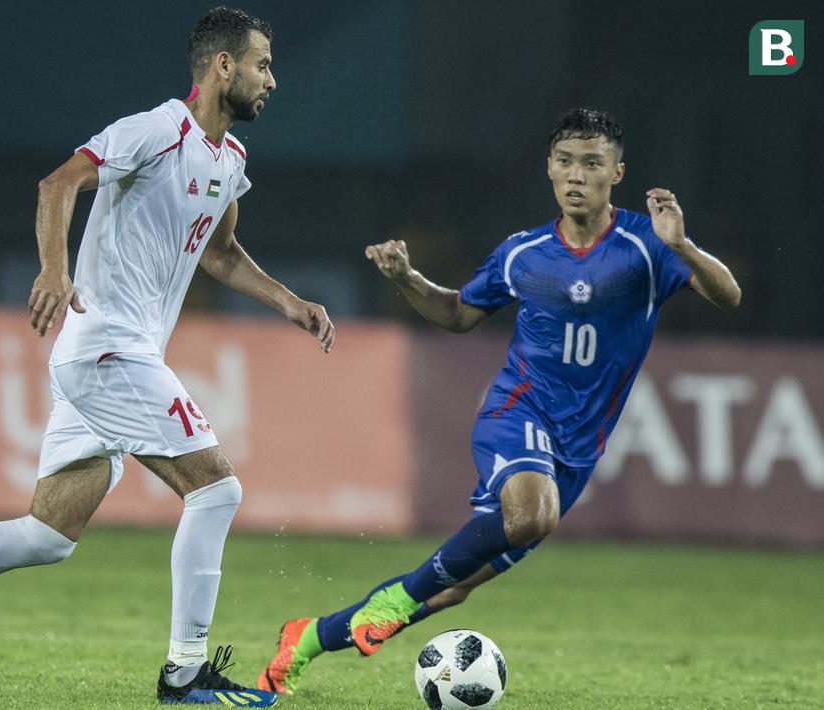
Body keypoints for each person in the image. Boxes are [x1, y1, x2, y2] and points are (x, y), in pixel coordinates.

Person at [0, 7, 332, 705]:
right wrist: (52, 270)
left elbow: (218, 252)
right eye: (261, 64)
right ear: (223, 66)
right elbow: (58, 183)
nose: (270, 80)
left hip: (107, 359)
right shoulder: (154, 130)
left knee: (46, 535)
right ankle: (185, 672)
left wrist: (289, 302)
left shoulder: (230, 160)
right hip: (108, 350)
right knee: (216, 490)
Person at [257, 107, 741, 695]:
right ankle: (396, 598)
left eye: (592, 164)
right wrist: (407, 278)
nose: (576, 175)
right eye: (565, 161)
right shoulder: (522, 252)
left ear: (617, 172)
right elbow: (458, 313)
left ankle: (306, 639)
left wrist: (683, 245)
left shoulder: (647, 244)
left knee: (453, 588)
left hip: (577, 450)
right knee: (532, 515)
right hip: (518, 411)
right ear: (549, 168)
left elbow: (728, 295)